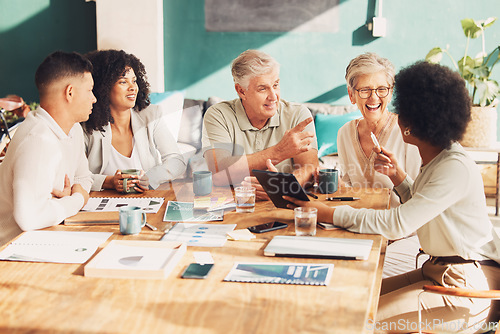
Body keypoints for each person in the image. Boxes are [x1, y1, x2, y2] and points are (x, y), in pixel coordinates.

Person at [284, 61, 500, 333]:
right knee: (347, 298)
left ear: (411, 124)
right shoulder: (438, 159)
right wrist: (399, 177)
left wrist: (324, 212)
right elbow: (426, 207)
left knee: (356, 323)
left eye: (404, 111)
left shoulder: (453, 167)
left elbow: (399, 223)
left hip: (464, 287)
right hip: (437, 270)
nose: (397, 117)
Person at [339, 53, 422, 278]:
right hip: (361, 232)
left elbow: (420, 200)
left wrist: (396, 173)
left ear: (390, 91)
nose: (373, 97)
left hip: (404, 237)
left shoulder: (409, 132)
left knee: (362, 276)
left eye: (381, 89)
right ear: (351, 94)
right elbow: (347, 191)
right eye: (364, 90)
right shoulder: (345, 133)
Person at [0, 51, 94, 246]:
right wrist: (77, 199)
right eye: (89, 90)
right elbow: (29, 218)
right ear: (70, 92)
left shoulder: (73, 129)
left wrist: (69, 198)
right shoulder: (38, 140)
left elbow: (84, 178)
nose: (94, 99)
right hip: (13, 251)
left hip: (45, 236)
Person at [202, 49, 318, 198]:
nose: (273, 96)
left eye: (275, 85)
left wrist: (283, 186)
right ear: (241, 91)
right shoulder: (218, 115)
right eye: (262, 88)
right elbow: (219, 174)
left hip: (285, 205)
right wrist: (279, 152)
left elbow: (310, 168)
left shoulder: (298, 114)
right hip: (235, 208)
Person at [83, 49, 186, 192]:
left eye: (134, 81)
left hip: (147, 201)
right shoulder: (86, 125)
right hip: (102, 205)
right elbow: (75, 176)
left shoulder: (151, 115)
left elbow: (177, 162)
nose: (133, 88)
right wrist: (109, 182)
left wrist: (151, 178)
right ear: (104, 87)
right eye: (123, 82)